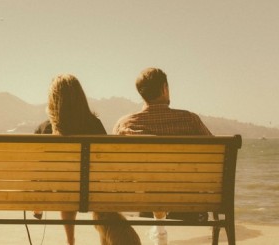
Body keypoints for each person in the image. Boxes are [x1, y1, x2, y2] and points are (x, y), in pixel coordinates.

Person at [113, 67, 212, 245]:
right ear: (165, 88)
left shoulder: (124, 124)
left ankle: (158, 225)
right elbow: (213, 157)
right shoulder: (190, 120)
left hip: (142, 201)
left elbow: (115, 167)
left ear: (141, 94)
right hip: (188, 203)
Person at [46, 74, 107, 245]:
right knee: (82, 185)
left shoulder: (45, 129)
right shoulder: (95, 125)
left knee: (67, 187)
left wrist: (38, 204)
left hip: (64, 192)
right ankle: (104, 240)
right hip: (95, 191)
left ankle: (70, 241)